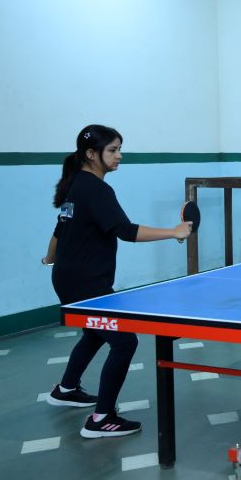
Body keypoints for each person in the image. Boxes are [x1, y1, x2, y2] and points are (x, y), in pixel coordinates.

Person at [43, 124, 192, 438]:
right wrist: (174, 232)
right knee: (125, 341)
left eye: (119, 149)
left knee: (95, 333)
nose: (119, 156)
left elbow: (60, 229)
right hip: (86, 283)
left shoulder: (76, 184)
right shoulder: (96, 189)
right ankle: (101, 419)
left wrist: (50, 257)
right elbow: (125, 231)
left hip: (68, 277)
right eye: (112, 150)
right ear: (91, 154)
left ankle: (66, 389)